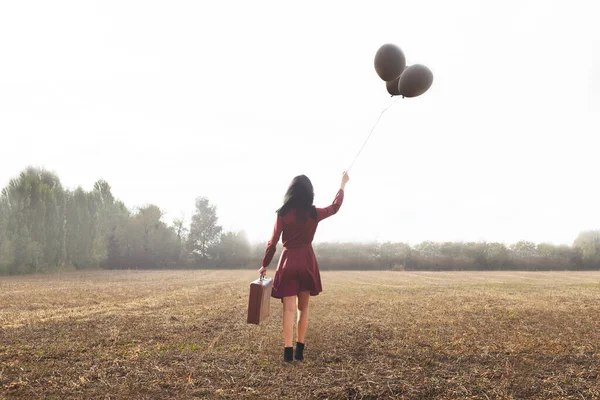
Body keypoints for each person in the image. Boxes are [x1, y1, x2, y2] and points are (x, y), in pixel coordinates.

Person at [259, 171, 350, 362]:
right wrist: (342, 185)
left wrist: (264, 265)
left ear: (290, 191)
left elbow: (272, 242)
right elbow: (334, 207)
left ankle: (288, 352)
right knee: (304, 308)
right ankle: (300, 350)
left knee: (288, 310)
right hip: (307, 261)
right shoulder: (313, 213)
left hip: (288, 261)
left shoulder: (283, 214)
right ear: (310, 193)